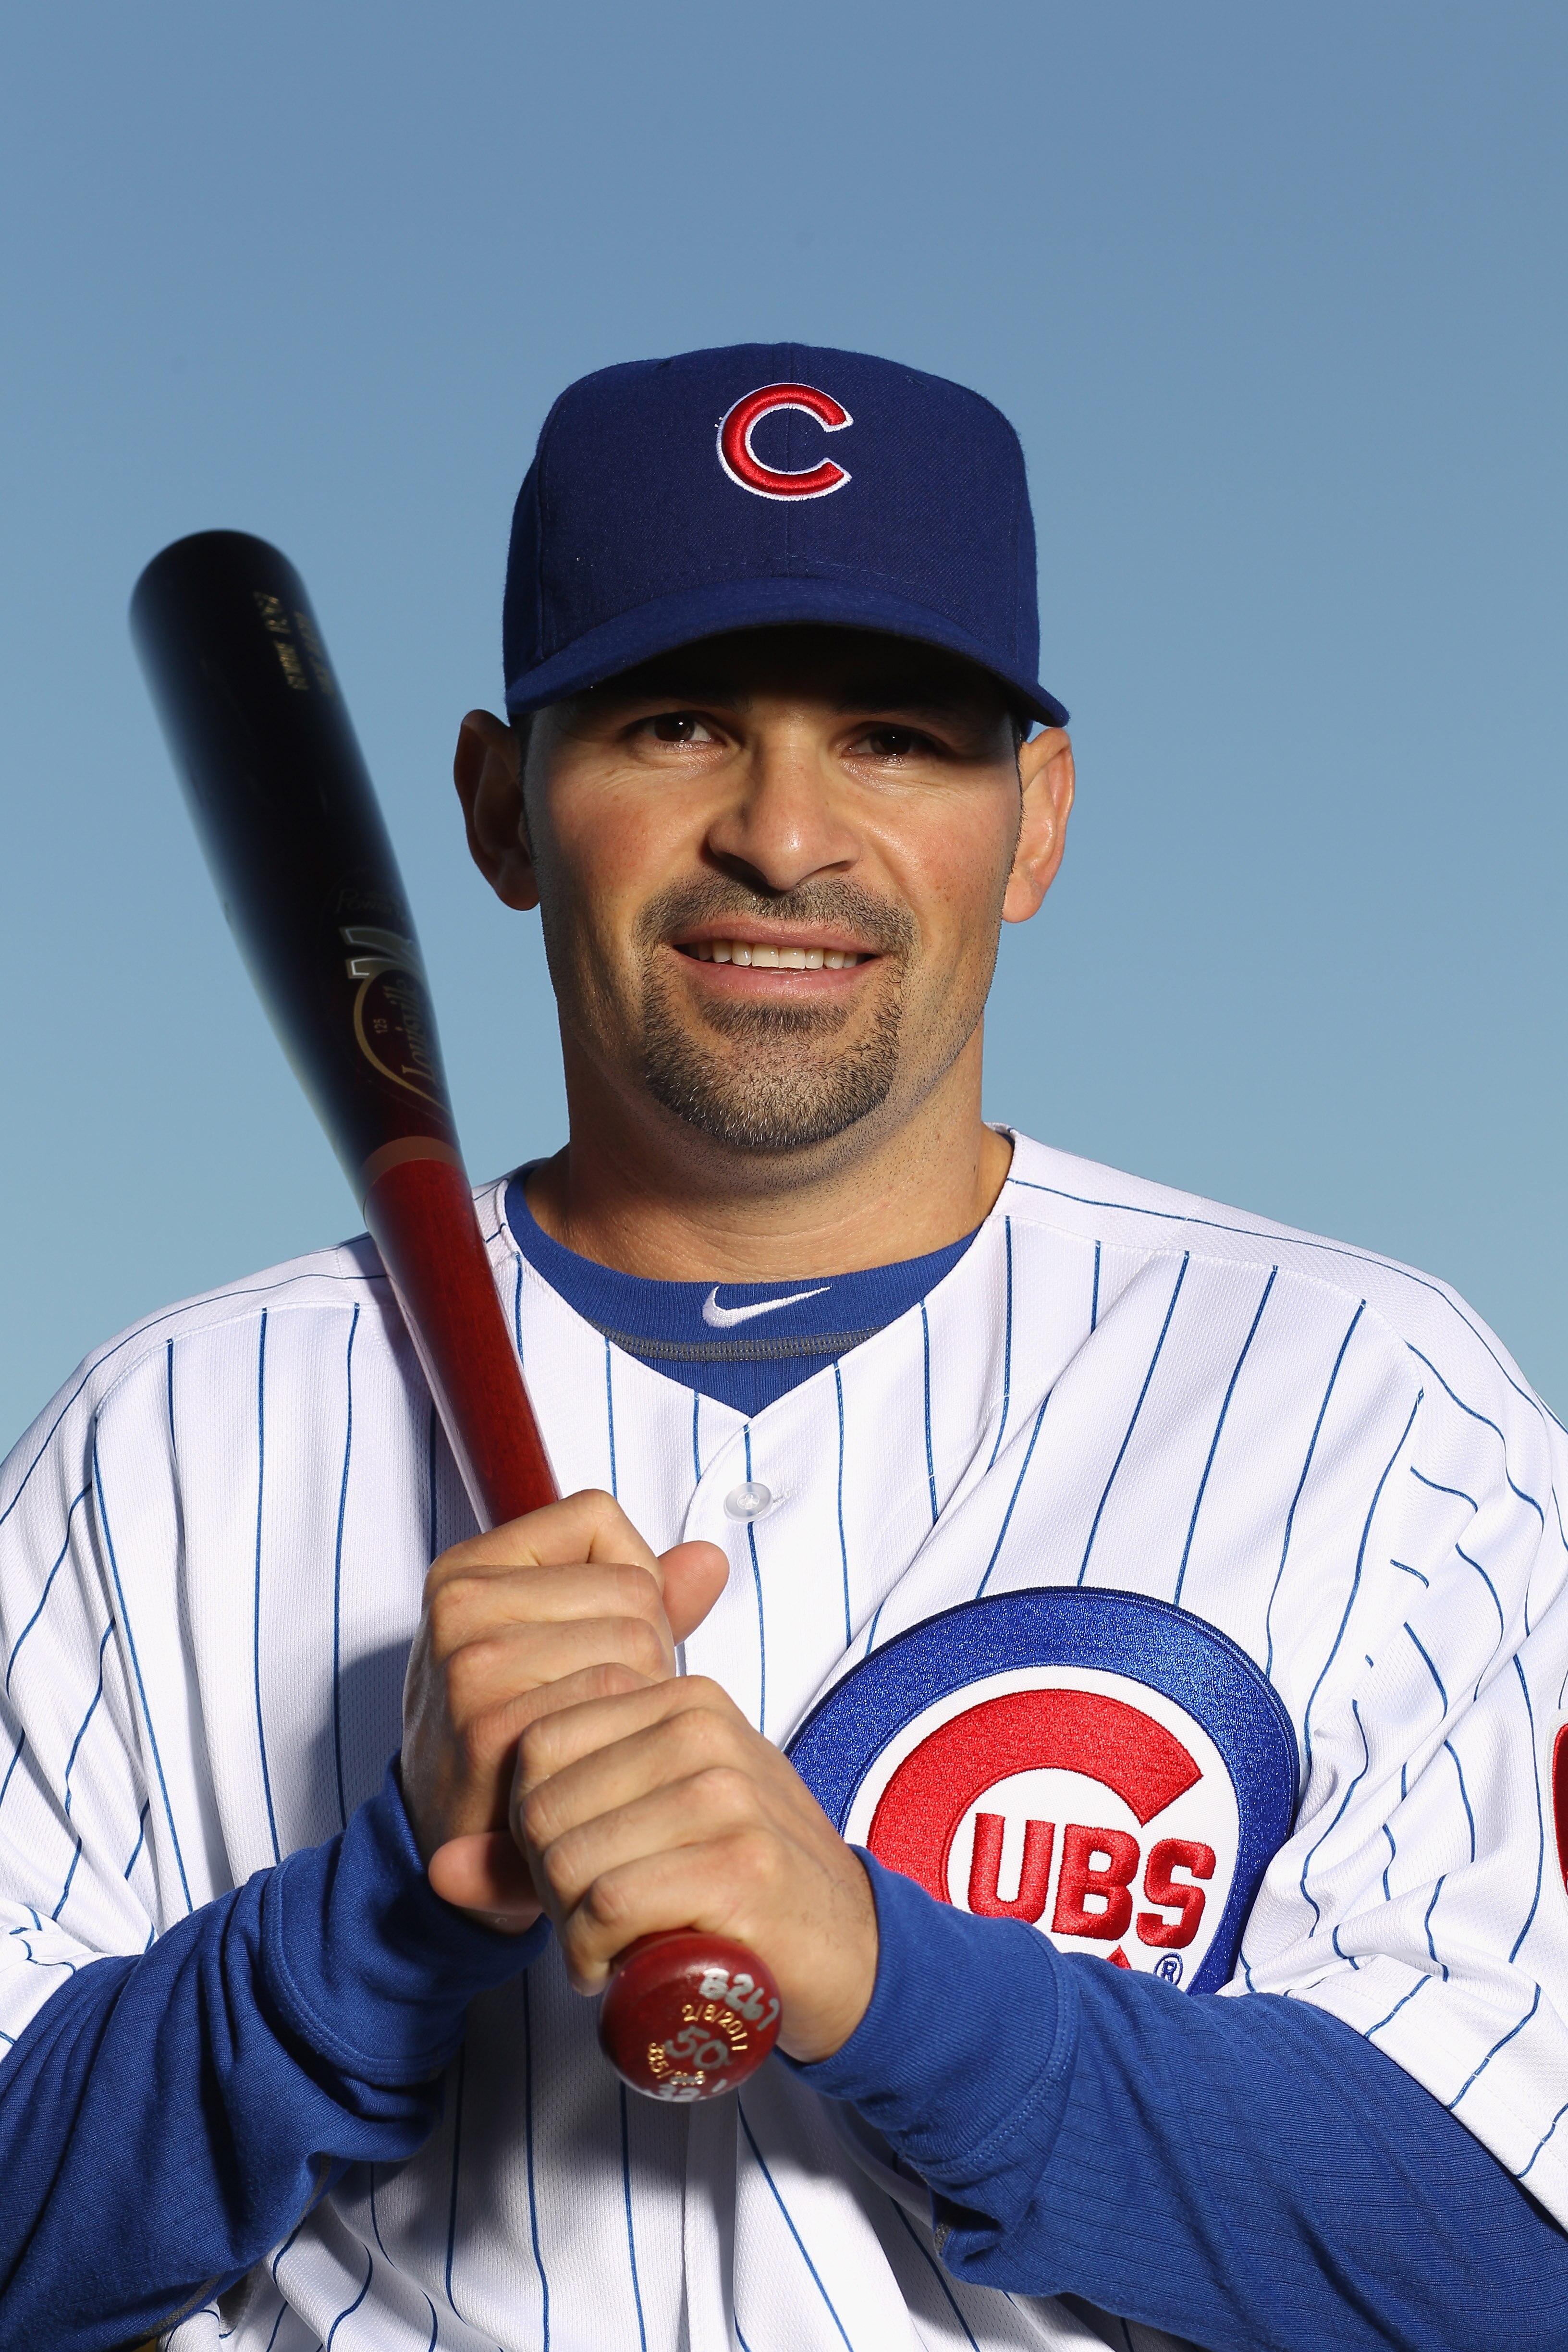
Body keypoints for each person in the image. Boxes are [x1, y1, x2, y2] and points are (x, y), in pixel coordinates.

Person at [2, 343, 1566, 2352]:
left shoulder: (1367, 1405)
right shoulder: (169, 1439)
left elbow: (1507, 2264)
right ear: (499, 810)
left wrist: (897, 1983)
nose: (784, 834)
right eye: (675, 724)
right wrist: (382, 1910)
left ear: (1037, 820)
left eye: (898, 738)